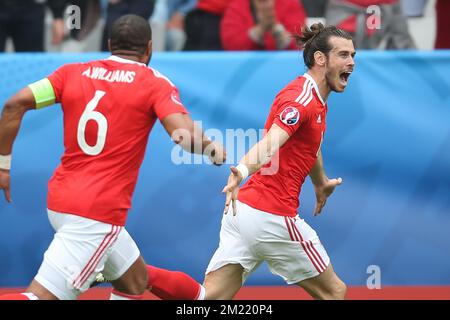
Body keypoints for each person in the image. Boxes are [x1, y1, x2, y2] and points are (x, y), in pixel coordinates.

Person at [0, 14, 224, 300]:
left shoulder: (72, 72)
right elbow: (184, 136)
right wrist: (211, 148)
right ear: (149, 48)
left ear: (109, 43)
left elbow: (13, 104)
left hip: (60, 201)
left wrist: (3, 166)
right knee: (42, 297)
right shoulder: (153, 82)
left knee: (134, 280)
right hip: (95, 215)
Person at [203, 23, 354, 300]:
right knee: (335, 292)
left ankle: (141, 278)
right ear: (321, 59)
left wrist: (319, 181)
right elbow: (271, 143)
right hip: (271, 215)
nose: (352, 63)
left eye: (353, 55)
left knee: (209, 299)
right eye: (343, 55)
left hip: (243, 212)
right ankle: (135, 275)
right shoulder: (303, 99)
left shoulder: (314, 97)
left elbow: (308, 144)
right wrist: (242, 171)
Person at [220, 0, 307, 51]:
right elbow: (231, 46)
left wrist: (277, 30)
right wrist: (260, 30)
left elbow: (300, 45)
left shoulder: (291, 4)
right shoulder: (236, 7)